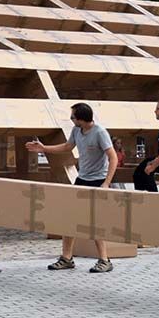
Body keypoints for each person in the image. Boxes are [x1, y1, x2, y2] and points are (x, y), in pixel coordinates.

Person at [26, 102, 120, 273]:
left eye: (72, 117)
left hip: (98, 181)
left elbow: (113, 158)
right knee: (69, 218)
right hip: (81, 179)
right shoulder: (77, 130)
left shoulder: (100, 133)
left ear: (81, 119)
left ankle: (105, 260)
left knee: (94, 221)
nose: (71, 120)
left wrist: (106, 183)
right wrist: (43, 148)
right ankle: (67, 258)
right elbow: (67, 147)